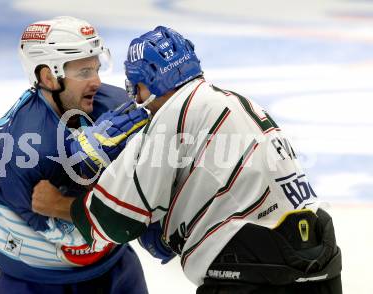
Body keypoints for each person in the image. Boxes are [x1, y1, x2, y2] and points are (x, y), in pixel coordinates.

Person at [31, 26, 342, 294]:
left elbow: (115, 221)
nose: (137, 101)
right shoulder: (238, 102)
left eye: (136, 87)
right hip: (322, 262)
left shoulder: (171, 115)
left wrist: (56, 203)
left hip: (254, 274)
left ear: (148, 82)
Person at [0, 16, 150, 294]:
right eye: (83, 73)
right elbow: (73, 238)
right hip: (33, 281)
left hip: (114, 268)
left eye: (97, 68)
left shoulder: (117, 107)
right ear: (48, 77)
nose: (97, 81)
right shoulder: (14, 150)